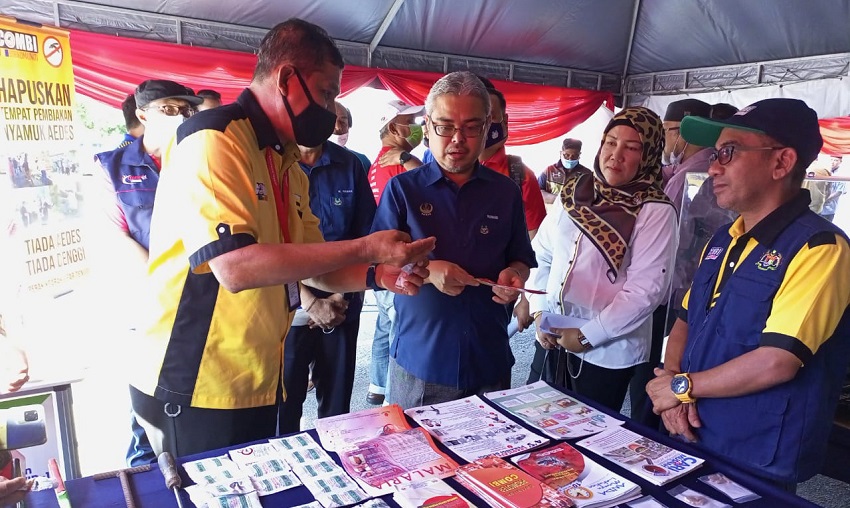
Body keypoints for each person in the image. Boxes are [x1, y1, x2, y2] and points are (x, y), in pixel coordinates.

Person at [129, 18, 434, 459]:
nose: (330, 109)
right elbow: (236, 268)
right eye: (326, 92)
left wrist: (379, 275)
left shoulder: (285, 161)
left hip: (254, 380)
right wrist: (368, 247)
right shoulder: (214, 138)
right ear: (288, 79)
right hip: (195, 381)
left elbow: (317, 266)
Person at [646, 98, 850, 488]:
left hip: (756, 450)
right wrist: (673, 385)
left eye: (729, 152)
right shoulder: (724, 238)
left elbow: (777, 361)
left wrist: (679, 387)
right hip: (692, 428)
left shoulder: (820, 248)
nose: (713, 166)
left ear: (782, 162)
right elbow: (686, 320)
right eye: (714, 153)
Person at [372, 71, 536, 409]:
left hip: (488, 356)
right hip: (422, 359)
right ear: (428, 127)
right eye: (445, 126)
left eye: (471, 127)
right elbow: (379, 266)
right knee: (416, 443)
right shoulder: (403, 190)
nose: (457, 139)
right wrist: (429, 272)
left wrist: (515, 276)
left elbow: (520, 258)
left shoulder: (505, 192)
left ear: (487, 127)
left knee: (493, 443)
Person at [528, 107, 678, 412]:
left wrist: (588, 335)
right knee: (538, 419)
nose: (615, 155)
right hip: (553, 332)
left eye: (631, 148)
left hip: (607, 349)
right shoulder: (575, 191)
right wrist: (539, 311)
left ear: (649, 155)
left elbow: (646, 290)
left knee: (586, 429)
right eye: (611, 142)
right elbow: (542, 253)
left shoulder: (654, 209)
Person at [95, 79, 202, 466]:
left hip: (199, 299)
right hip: (146, 302)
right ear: (142, 115)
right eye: (170, 109)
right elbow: (115, 234)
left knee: (194, 401)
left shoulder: (202, 156)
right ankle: (144, 474)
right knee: (146, 407)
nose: (181, 117)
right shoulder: (112, 166)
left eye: (187, 110)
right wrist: (162, 287)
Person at [278, 136, 376, 433]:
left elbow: (366, 237)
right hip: (288, 305)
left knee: (337, 408)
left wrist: (340, 295)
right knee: (284, 408)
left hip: (341, 302)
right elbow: (267, 246)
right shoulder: (274, 161)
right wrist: (308, 302)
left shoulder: (349, 163)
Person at [365, 98, 425, 406]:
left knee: (385, 326)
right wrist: (408, 159)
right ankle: (393, 402)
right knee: (399, 332)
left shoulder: (378, 164)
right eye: (410, 123)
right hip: (401, 261)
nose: (416, 128)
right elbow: (429, 188)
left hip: (385, 259)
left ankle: (377, 386)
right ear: (393, 128)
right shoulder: (397, 164)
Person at [476, 78, 546, 338]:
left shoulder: (520, 175)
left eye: (490, 116)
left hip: (500, 293)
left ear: (504, 121)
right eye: (476, 117)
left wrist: (527, 298)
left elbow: (538, 242)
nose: (484, 125)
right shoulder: (444, 169)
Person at [538, 138, 587, 204]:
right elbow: (538, 192)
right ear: (561, 153)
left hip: (575, 210)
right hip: (552, 210)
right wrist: (559, 200)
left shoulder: (586, 174)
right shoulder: (549, 171)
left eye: (574, 156)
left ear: (579, 155)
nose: (570, 159)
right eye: (566, 155)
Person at [331, 101, 372, 171]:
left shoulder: (362, 161)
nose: (338, 127)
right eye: (332, 122)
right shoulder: (312, 160)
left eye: (343, 122)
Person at [821, 155, 845, 222]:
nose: (833, 162)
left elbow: (839, 192)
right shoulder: (825, 171)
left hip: (829, 209)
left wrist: (824, 200)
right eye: (831, 160)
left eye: (835, 160)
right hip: (819, 207)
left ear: (840, 162)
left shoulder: (841, 175)